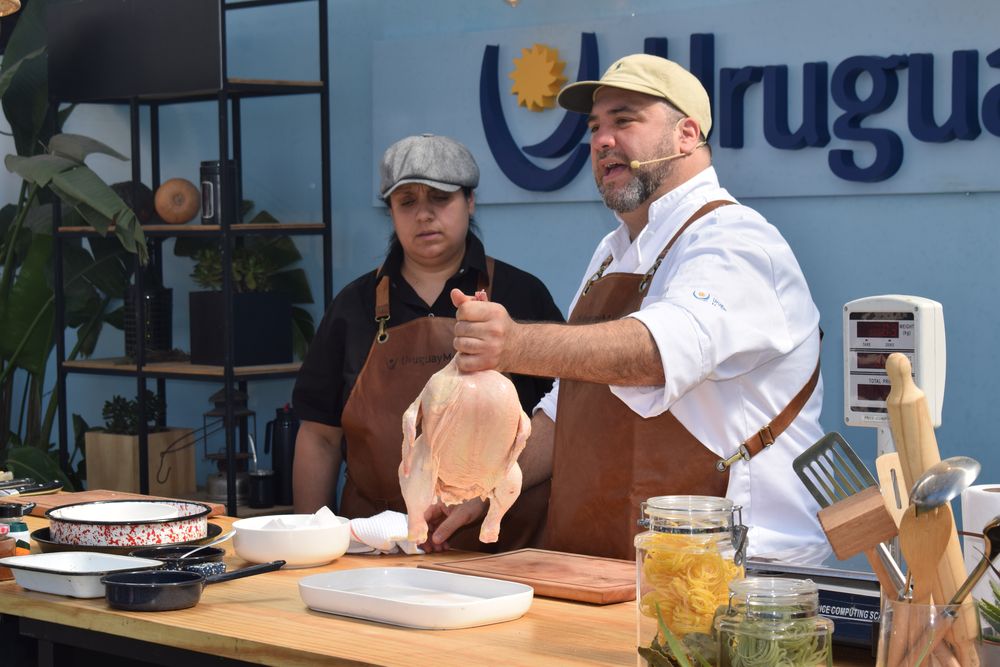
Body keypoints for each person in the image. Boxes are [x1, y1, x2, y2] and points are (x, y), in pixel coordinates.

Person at [428, 54, 827, 560]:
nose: (600, 141)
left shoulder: (737, 241)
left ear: (686, 134)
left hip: (738, 582)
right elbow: (567, 408)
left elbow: (655, 354)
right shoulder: (612, 252)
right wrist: (486, 489)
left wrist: (515, 344)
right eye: (595, 127)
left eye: (625, 120)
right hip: (612, 570)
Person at [291, 133, 564, 552]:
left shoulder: (522, 294)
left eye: (440, 198)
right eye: (407, 202)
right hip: (375, 548)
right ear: (391, 212)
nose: (424, 215)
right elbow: (319, 436)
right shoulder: (354, 305)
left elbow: (565, 418)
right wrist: (308, 541)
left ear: (469, 202)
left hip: (501, 546)